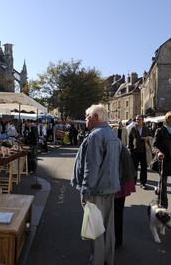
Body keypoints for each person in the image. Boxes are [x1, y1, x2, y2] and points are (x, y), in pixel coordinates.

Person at [71, 104, 121, 265]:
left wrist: (85, 191)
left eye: (88, 116)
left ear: (96, 118)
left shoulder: (96, 136)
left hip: (97, 189)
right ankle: (108, 259)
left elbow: (91, 167)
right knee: (108, 227)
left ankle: (97, 261)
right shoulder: (111, 134)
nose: (86, 119)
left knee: (95, 229)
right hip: (110, 186)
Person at [128, 115, 153, 189]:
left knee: (144, 168)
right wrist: (131, 149)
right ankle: (133, 182)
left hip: (144, 151)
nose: (137, 121)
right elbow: (130, 139)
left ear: (143, 121)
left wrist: (147, 138)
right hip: (135, 151)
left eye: (139, 120)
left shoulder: (146, 129)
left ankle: (143, 183)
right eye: (136, 120)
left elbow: (151, 138)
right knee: (134, 168)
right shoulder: (133, 129)